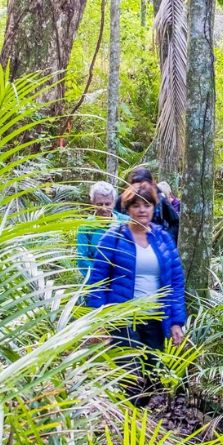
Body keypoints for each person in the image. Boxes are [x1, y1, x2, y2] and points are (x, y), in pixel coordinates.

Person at [86, 181, 187, 407]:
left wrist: (177, 321)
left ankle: (138, 426)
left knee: (152, 376)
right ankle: (127, 426)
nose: (142, 210)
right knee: (130, 376)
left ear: (154, 208)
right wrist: (97, 320)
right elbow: (97, 280)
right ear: (127, 209)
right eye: (136, 206)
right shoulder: (113, 238)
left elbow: (176, 282)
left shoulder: (163, 239)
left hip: (155, 318)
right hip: (122, 317)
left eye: (147, 205)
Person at [114, 166, 180, 243]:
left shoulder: (159, 199)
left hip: (155, 241)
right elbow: (113, 218)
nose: (141, 188)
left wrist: (165, 238)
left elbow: (175, 222)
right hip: (128, 241)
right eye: (137, 184)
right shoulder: (123, 200)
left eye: (147, 205)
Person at [76, 181, 128, 279]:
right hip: (96, 281)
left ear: (113, 202)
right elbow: (82, 259)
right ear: (93, 203)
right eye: (99, 204)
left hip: (123, 280)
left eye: (108, 204)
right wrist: (101, 277)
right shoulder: (86, 227)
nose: (104, 208)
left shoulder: (125, 222)